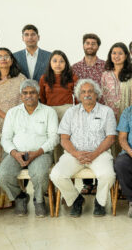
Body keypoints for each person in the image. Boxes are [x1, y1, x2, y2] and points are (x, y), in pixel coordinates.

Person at [50, 79, 117, 217]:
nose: (87, 94)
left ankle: (100, 202)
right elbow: (64, 138)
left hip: (99, 154)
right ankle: (76, 199)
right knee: (56, 175)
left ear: (96, 94)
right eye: (83, 92)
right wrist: (75, 153)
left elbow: (110, 138)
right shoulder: (70, 112)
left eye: (90, 91)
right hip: (74, 154)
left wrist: (94, 154)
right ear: (78, 96)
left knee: (108, 175)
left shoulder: (106, 111)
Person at [0, 79, 58, 217]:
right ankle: (20, 197)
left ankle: (39, 200)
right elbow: (5, 138)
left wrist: (37, 153)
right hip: (15, 153)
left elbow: (54, 138)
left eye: (32, 92)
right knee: (3, 175)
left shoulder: (49, 112)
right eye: (25, 93)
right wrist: (14, 153)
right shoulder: (12, 113)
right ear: (21, 96)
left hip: (41, 153)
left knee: (40, 173)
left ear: (38, 95)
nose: (28, 95)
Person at [0, 47, 26, 208]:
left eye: (6, 56)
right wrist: (4, 116)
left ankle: (13, 197)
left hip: (16, 121)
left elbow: (25, 101)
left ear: (12, 59)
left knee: (10, 156)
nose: (3, 59)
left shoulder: (20, 79)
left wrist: (13, 118)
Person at [72, 33, 105, 195]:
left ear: (98, 46)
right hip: (82, 112)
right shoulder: (75, 68)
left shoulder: (105, 66)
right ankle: (87, 184)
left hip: (101, 110)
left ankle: (99, 181)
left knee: (98, 141)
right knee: (84, 141)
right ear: (83, 45)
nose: (90, 46)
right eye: (87, 43)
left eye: (93, 43)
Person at [39, 50, 78, 162]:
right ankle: (55, 162)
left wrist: (77, 111)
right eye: (55, 61)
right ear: (50, 63)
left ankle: (68, 160)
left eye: (61, 61)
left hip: (67, 110)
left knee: (67, 137)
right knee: (53, 137)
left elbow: (78, 96)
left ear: (66, 64)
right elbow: (42, 97)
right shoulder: (44, 78)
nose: (58, 64)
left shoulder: (72, 77)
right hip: (51, 111)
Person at [101, 42, 132, 120]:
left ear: (126, 56)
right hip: (110, 117)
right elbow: (103, 97)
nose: (116, 56)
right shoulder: (105, 75)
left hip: (128, 116)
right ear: (110, 55)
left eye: (120, 53)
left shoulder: (130, 74)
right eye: (114, 53)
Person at [114, 105, 132, 217]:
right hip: (130, 152)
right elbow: (122, 138)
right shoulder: (128, 112)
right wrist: (130, 151)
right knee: (120, 163)